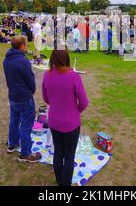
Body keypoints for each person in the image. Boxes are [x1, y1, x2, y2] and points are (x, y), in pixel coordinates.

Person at [42, 49, 89, 186]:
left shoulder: (47, 75)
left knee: (58, 151)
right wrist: (75, 111)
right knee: (69, 155)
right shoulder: (73, 76)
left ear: (52, 60)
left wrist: (58, 105)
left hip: (54, 120)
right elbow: (84, 102)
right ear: (67, 60)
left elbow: (46, 98)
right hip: (71, 123)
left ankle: (60, 182)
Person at [3, 35, 42, 163]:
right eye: (26, 45)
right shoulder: (22, 61)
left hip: (13, 95)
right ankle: (25, 153)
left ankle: (12, 143)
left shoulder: (7, 59)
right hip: (24, 97)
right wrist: (32, 90)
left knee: (14, 120)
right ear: (22, 46)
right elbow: (30, 79)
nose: (27, 47)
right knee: (26, 125)